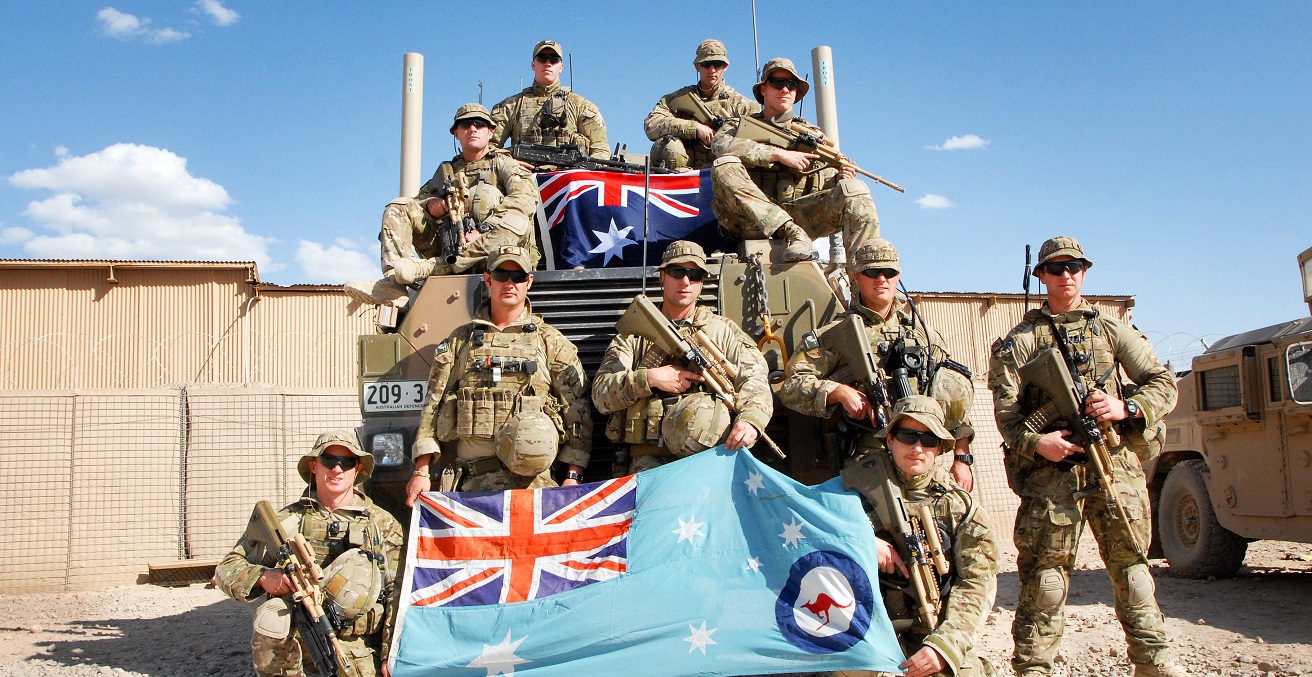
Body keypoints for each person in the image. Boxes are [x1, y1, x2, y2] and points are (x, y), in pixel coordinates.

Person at [988, 236, 1185, 677]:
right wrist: (1040, 444)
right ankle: (1034, 668)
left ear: (1085, 271)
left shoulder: (1112, 330)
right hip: (1053, 476)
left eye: (1074, 266)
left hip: (1114, 466)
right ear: (1040, 276)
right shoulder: (1019, 344)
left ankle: (1153, 664)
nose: (1066, 275)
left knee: (1133, 571)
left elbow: (1161, 381)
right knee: (1046, 580)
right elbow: (1006, 415)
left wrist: (1126, 408)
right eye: (1055, 268)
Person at [780, 239, 977, 484]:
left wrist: (961, 458)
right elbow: (791, 387)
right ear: (856, 277)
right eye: (872, 272)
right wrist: (838, 392)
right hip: (867, 458)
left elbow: (954, 399)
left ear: (898, 276)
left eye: (889, 272)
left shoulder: (923, 334)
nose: (881, 279)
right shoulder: (837, 335)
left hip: (921, 458)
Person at [405, 245, 592, 504]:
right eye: (502, 275)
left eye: (517, 277)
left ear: (529, 281)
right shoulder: (461, 341)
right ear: (487, 279)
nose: (509, 283)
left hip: (534, 487)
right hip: (473, 485)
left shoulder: (550, 341)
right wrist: (421, 470)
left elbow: (577, 411)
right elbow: (432, 405)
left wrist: (573, 475)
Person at [214, 430, 404, 677]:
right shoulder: (287, 521)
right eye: (329, 461)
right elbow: (226, 568)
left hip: (357, 652)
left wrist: (392, 654)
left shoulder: (381, 524)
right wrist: (263, 577)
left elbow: (396, 591)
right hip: (294, 652)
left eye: (346, 463)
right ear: (314, 466)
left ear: (357, 469)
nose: (337, 469)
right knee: (271, 617)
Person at [837, 396, 999, 677]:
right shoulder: (854, 487)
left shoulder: (958, 506)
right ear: (889, 439)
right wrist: (861, 542)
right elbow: (811, 535)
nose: (917, 448)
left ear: (940, 449)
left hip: (933, 629)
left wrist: (944, 646)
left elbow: (977, 583)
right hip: (870, 627)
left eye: (929, 440)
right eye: (907, 435)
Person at [592, 240, 772, 473]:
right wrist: (649, 379)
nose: (685, 281)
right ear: (663, 277)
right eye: (678, 272)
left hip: (710, 458)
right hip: (648, 463)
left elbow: (755, 378)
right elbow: (600, 395)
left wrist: (750, 420)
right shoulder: (635, 335)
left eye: (694, 275)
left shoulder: (722, 330)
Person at [344, 103, 541, 307]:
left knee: (513, 216)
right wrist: (432, 205)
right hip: (453, 244)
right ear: (456, 133)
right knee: (399, 206)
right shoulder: (447, 171)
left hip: (500, 253)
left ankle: (430, 268)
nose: (472, 129)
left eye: (479, 124)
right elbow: (418, 201)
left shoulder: (504, 163)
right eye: (465, 125)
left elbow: (524, 200)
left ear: (490, 132)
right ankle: (395, 283)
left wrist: (483, 230)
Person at [710, 57, 881, 263]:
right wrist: (777, 154)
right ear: (763, 89)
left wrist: (840, 180)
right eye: (777, 83)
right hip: (748, 221)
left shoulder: (811, 135)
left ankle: (869, 275)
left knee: (855, 191)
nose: (785, 90)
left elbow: (821, 182)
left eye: (791, 85)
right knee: (724, 165)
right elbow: (720, 145)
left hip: (800, 216)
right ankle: (791, 232)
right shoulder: (738, 126)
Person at [643, 39, 760, 171]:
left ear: (725, 67)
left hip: (725, 175)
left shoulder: (742, 105)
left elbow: (763, 138)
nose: (712, 69)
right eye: (707, 64)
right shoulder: (679, 98)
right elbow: (651, 125)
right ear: (697, 66)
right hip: (685, 174)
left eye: (718, 64)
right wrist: (695, 128)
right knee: (669, 145)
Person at [490, 39, 609, 166]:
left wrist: (583, 173)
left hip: (569, 180)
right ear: (533, 65)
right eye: (542, 58)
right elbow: (489, 147)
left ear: (561, 67)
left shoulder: (581, 106)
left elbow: (600, 150)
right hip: (522, 179)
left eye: (553, 59)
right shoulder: (510, 106)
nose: (548, 63)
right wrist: (511, 163)